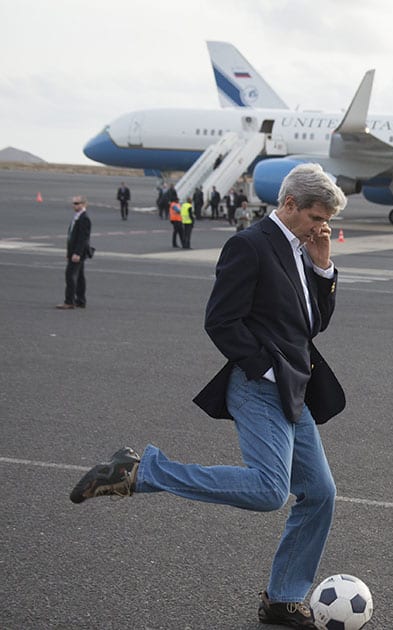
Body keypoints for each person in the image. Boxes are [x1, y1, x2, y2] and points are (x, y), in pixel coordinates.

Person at [70, 163, 349, 629]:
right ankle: (141, 471)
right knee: (268, 491)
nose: (321, 227)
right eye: (316, 217)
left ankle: (283, 598)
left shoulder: (302, 250)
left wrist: (323, 266)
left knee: (320, 493)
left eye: (326, 221)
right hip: (260, 387)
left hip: (294, 387)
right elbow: (220, 320)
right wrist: (262, 368)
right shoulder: (250, 245)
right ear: (289, 205)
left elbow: (313, 323)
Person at [57, 196, 91, 309]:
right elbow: (72, 236)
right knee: (80, 277)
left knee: (70, 275)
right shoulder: (77, 217)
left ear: (84, 204)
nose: (74, 205)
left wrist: (77, 253)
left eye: (77, 203)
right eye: (73, 203)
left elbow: (83, 238)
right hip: (75, 252)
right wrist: (69, 252)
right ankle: (81, 300)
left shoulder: (84, 218)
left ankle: (69, 301)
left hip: (78, 253)